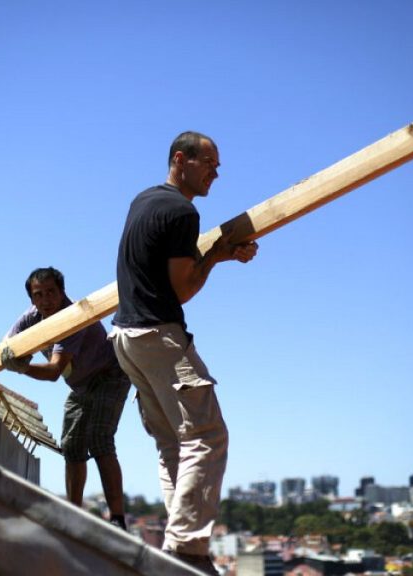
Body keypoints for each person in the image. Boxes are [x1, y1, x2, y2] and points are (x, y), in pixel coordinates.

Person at [109, 131, 258, 573]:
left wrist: (216, 255)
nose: (216, 171)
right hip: (158, 335)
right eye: (209, 162)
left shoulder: (145, 200)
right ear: (181, 159)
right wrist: (213, 255)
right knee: (207, 436)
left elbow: (159, 268)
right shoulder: (182, 211)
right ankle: (185, 551)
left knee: (174, 443)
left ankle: (183, 550)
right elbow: (183, 288)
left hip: (124, 337)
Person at [0, 267, 131, 530]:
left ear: (62, 292)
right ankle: (74, 517)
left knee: (99, 439)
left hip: (110, 375)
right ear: (31, 300)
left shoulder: (71, 318)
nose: (46, 300)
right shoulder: (30, 319)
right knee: (72, 446)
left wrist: (21, 367)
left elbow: (53, 371)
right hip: (80, 385)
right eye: (38, 295)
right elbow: (6, 349)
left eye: (51, 292)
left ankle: (118, 519)